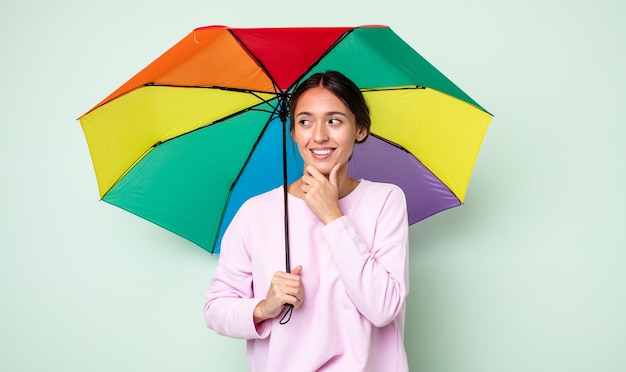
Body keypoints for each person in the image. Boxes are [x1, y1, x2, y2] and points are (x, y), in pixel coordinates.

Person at [204, 70, 409, 371]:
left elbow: (383, 308)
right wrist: (263, 306)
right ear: (294, 133)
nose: (319, 135)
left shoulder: (386, 201)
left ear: (360, 129)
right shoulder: (256, 212)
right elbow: (215, 308)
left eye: (334, 120)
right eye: (305, 121)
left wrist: (332, 215)